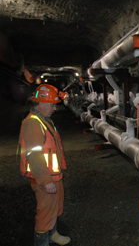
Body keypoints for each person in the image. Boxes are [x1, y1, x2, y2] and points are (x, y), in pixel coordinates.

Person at [19, 84, 71, 246]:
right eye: (52, 104)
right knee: (45, 212)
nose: (55, 108)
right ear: (41, 103)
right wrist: (46, 180)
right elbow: (34, 156)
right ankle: (41, 242)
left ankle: (52, 234)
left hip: (53, 175)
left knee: (55, 207)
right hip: (44, 179)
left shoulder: (44, 120)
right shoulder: (33, 124)